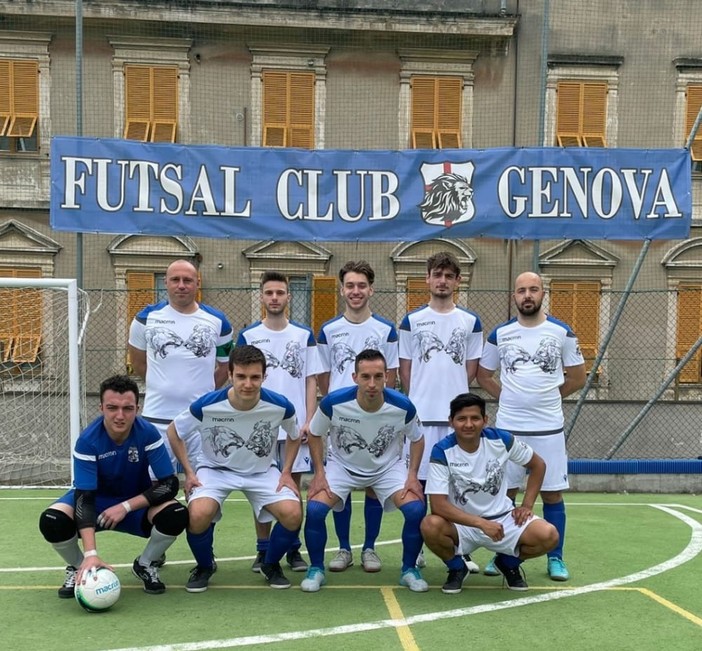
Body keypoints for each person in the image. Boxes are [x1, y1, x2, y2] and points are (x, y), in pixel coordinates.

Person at [476, 271, 586, 581]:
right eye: (522, 290)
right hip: (510, 430)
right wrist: (511, 397)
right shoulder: (500, 334)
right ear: (514, 295)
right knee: (505, 495)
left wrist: (547, 397)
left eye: (533, 290)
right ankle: (502, 554)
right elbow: (484, 375)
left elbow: (577, 377)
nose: (528, 295)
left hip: (548, 429)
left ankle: (556, 558)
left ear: (542, 294)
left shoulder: (561, 332)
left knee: (552, 495)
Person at [166, 345, 303, 592]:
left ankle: (270, 564)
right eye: (241, 376)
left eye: (255, 377)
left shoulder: (280, 405)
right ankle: (204, 566)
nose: (248, 384)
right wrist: (189, 472)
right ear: (230, 375)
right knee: (197, 515)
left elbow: (295, 435)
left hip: (262, 471)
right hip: (214, 470)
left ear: (264, 377)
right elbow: (174, 431)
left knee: (293, 513)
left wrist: (286, 472)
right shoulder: (207, 405)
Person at [38, 375, 188, 598]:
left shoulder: (147, 433)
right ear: (101, 408)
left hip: (134, 503)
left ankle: (145, 564)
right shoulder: (88, 441)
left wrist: (126, 507)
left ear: (137, 408)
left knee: (176, 513)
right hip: (95, 503)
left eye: (128, 408)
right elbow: (84, 498)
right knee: (52, 520)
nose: (120, 416)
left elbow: (169, 484)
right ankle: (81, 567)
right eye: (112, 408)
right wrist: (91, 552)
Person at [128, 259, 232, 567]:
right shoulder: (146, 318)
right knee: (155, 490)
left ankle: (205, 555)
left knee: (204, 492)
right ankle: (156, 554)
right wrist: (166, 389)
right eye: (175, 279)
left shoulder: (218, 321)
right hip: (156, 423)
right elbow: (139, 364)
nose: (182, 285)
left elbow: (224, 369)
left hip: (200, 427)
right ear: (166, 282)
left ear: (197, 283)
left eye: (188, 280)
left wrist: (197, 405)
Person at [300, 349, 427, 593]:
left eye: (378, 376)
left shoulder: (403, 406)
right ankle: (316, 568)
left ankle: (409, 569)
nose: (372, 384)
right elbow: (315, 434)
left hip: (387, 469)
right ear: (354, 377)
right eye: (365, 376)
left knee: (415, 510)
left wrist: (412, 475)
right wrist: (319, 474)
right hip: (342, 467)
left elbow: (418, 439)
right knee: (315, 509)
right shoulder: (333, 403)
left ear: (387, 377)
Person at [421, 393, 558, 593]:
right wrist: (481, 524)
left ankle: (508, 564)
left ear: (485, 420)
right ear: (451, 422)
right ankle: (457, 568)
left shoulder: (501, 440)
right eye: (461, 419)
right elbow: (438, 505)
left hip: (502, 519)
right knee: (429, 525)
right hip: (463, 524)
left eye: (475, 418)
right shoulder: (442, 450)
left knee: (549, 535)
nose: (468, 424)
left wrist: (527, 505)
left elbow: (538, 464)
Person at [399, 250, 483, 572]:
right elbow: (406, 371)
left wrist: (455, 403)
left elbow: (471, 370)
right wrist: (422, 397)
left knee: (458, 487)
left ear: (458, 281)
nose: (443, 281)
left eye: (449, 276)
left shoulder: (470, 321)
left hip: (456, 422)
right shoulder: (412, 321)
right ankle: (417, 550)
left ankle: (461, 549)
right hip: (421, 420)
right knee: (417, 487)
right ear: (428, 279)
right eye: (437, 274)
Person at [316, 260, 399, 573]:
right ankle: (343, 548)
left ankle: (370, 548)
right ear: (341, 290)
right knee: (342, 483)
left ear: (371, 289)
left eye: (361, 285)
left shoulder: (385, 330)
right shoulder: (328, 330)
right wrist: (339, 405)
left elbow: (389, 376)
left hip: (377, 415)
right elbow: (324, 376)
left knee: (374, 483)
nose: (355, 291)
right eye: (350, 286)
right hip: (342, 419)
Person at [237, 270, 322, 573]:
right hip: (260, 428)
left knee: (291, 489)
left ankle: (291, 548)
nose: (274, 298)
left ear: (289, 296)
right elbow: (238, 384)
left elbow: (311, 380)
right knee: (261, 491)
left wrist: (309, 419)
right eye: (269, 292)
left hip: (293, 427)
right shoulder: (249, 335)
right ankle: (263, 551)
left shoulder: (303, 335)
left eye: (280, 293)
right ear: (261, 296)